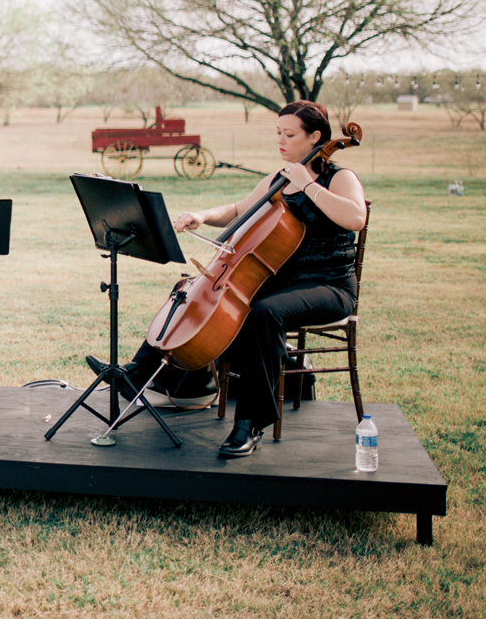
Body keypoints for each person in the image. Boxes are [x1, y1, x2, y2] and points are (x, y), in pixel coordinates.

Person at [87, 100, 366, 458]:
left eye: (290, 134)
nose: (280, 140)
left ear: (315, 137)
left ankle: (250, 423)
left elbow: (355, 217)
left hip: (329, 285)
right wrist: (202, 216)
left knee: (264, 313)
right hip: (281, 280)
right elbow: (238, 210)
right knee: (188, 289)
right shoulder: (279, 178)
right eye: (277, 133)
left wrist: (308, 184)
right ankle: (138, 373)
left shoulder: (339, 178)